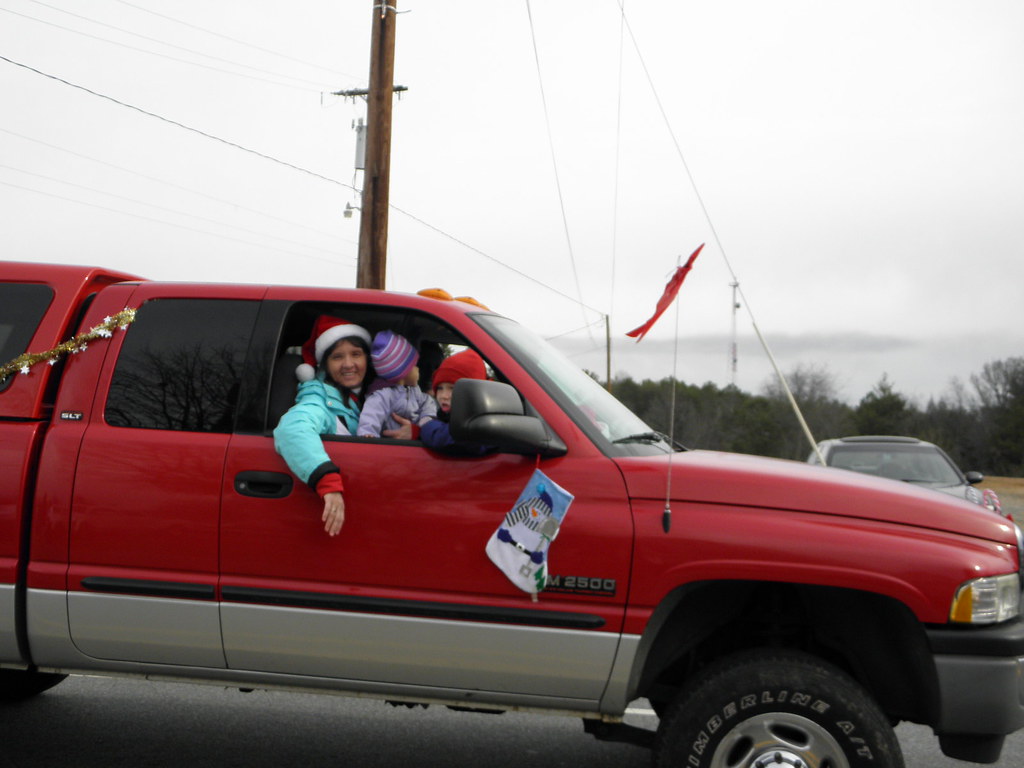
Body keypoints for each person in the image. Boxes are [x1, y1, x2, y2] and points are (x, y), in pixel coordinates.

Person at [274, 315, 409, 537]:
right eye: (337, 357)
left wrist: (412, 432)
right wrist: (327, 480)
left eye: (356, 354)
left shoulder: (369, 398)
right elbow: (292, 428)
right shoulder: (319, 400)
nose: (348, 364)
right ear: (325, 364)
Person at [357, 331, 437, 437]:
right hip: (390, 447)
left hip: (413, 445)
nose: (418, 369)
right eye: (415, 365)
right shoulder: (383, 395)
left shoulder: (414, 390)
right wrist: (368, 433)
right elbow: (371, 415)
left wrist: (426, 420)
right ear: (403, 373)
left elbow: (427, 402)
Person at [420, 348, 490, 454]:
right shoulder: (446, 416)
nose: (443, 396)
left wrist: (426, 425)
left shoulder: (483, 423)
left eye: (452, 388)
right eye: (439, 388)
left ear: (474, 392)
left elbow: (451, 438)